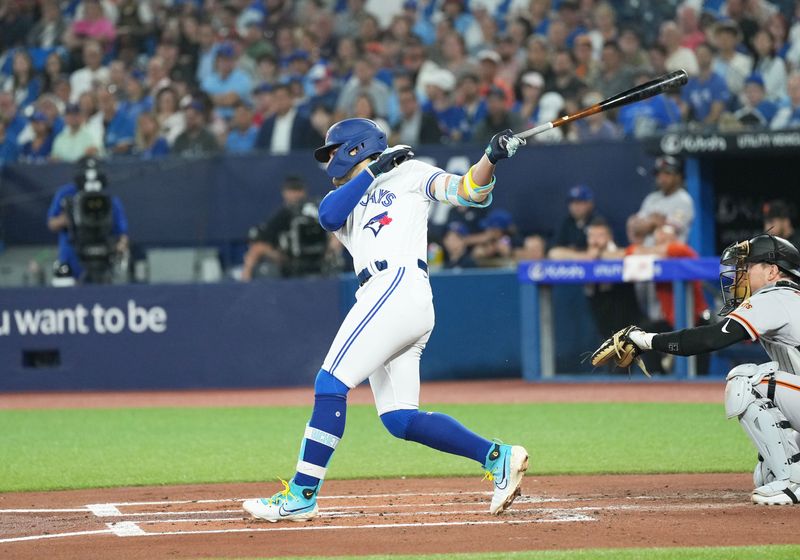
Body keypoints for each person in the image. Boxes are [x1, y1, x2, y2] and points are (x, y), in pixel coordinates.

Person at [242, 118, 529, 522]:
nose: (329, 160)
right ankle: (496, 457)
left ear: (356, 147)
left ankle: (302, 494)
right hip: (389, 296)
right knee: (399, 418)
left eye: (333, 151)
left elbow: (468, 192)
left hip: (396, 284)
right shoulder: (344, 195)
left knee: (329, 383)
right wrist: (376, 170)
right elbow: (327, 217)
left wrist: (490, 157)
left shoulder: (411, 172)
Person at [603, 234, 800, 504]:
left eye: (749, 266)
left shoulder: (775, 296)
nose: (740, 274)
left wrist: (645, 340)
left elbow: (710, 338)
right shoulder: (790, 297)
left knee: (746, 380)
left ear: (772, 271)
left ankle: (794, 483)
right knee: (765, 475)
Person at [46, 157, 129, 283]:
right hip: (70, 256)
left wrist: (120, 247)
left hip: (103, 258)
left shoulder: (109, 200)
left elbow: (122, 234)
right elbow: (52, 224)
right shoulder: (66, 194)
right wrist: (69, 218)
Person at [241, 176, 328, 280]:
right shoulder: (284, 214)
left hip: (323, 265)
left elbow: (337, 234)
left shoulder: (317, 209)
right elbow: (259, 244)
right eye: (292, 190)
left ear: (304, 191)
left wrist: (330, 250)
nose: (295, 195)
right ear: (285, 192)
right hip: (292, 267)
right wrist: (279, 257)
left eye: (298, 190)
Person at [636, 155, 695, 243]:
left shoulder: (684, 200)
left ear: (678, 177)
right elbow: (635, 228)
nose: (662, 178)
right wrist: (656, 221)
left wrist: (650, 222)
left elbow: (671, 230)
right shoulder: (651, 198)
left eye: (667, 174)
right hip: (647, 252)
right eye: (659, 174)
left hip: (672, 254)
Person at [548, 184, 597, 257]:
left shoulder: (597, 222)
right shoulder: (566, 223)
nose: (575, 206)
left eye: (580, 202)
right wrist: (580, 255)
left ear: (589, 204)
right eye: (572, 203)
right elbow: (554, 250)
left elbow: (600, 250)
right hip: (570, 265)